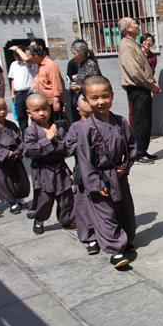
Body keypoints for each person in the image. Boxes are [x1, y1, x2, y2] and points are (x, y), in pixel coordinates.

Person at [76, 75, 138, 269]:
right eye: (94, 98)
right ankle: (116, 251)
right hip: (99, 177)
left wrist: (125, 166)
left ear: (112, 95)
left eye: (105, 96)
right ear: (86, 100)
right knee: (106, 214)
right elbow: (84, 159)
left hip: (118, 175)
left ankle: (125, 238)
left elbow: (132, 147)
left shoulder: (121, 122)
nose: (101, 101)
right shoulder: (86, 128)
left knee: (124, 211)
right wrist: (95, 183)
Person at [22, 93, 75, 235]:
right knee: (44, 199)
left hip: (60, 169)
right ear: (29, 113)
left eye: (44, 109)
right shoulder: (30, 131)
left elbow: (67, 148)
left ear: (50, 109)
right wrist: (47, 140)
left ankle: (67, 220)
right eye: (36, 110)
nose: (42, 113)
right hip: (43, 170)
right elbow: (30, 151)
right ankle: (39, 219)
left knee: (66, 197)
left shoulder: (57, 128)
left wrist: (56, 141)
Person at [118, 17, 161, 164]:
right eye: (134, 23)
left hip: (143, 87)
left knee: (145, 120)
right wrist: (151, 84)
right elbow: (135, 71)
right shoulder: (126, 45)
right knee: (140, 122)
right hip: (137, 87)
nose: (137, 25)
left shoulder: (133, 44)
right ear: (128, 28)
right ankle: (138, 153)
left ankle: (142, 150)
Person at [0, 95, 29, 214]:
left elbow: (20, 139)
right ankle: (12, 202)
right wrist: (6, 153)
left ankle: (20, 197)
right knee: (4, 182)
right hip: (0, 161)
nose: (2, 112)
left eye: (4, 108)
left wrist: (19, 150)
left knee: (20, 178)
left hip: (15, 157)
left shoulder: (11, 124)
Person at [65, 94, 99, 255]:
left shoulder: (103, 123)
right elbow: (68, 148)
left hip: (103, 172)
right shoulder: (76, 127)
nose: (89, 103)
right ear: (78, 108)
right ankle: (90, 237)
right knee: (83, 206)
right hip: (83, 172)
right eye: (84, 100)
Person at [66, 39, 101, 122]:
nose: (74, 56)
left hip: (89, 102)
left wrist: (79, 87)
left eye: (74, 53)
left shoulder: (90, 65)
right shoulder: (81, 64)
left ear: (81, 53)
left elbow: (94, 85)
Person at [29, 45, 64, 121]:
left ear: (35, 55)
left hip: (51, 102)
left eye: (29, 56)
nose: (28, 59)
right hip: (43, 101)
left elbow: (56, 83)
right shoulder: (38, 65)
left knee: (55, 123)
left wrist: (56, 100)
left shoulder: (50, 64)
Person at [8, 45, 37, 132]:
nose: (17, 56)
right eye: (15, 55)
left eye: (18, 54)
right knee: (21, 116)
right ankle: (25, 134)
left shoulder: (30, 63)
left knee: (33, 114)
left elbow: (27, 60)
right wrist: (12, 92)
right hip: (19, 93)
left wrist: (18, 49)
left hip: (30, 92)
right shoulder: (13, 64)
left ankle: (35, 132)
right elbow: (13, 79)